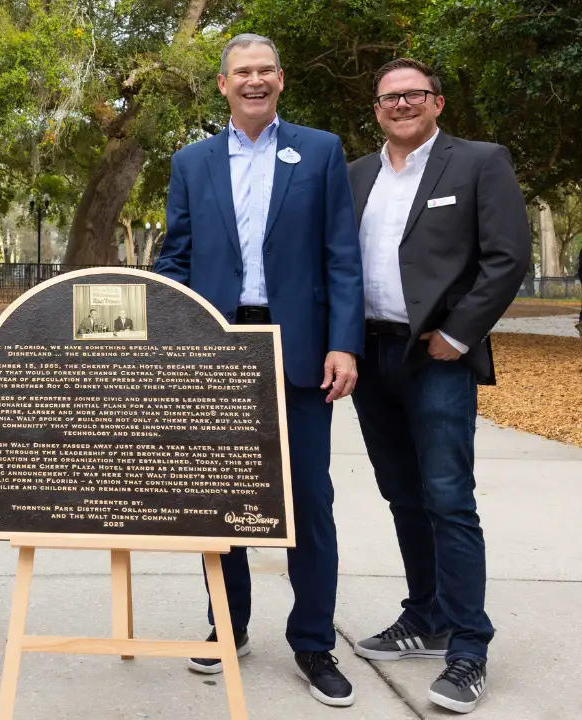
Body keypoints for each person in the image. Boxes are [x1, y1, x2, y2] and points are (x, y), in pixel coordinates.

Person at [153, 33, 364, 707]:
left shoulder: (322, 150)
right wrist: (173, 341)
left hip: (299, 346)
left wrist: (344, 343)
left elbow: (341, 258)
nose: (253, 80)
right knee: (221, 497)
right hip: (218, 349)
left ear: (280, 79)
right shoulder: (192, 162)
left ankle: (312, 642)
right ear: (222, 84)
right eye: (241, 71)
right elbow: (175, 260)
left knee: (308, 500)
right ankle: (229, 624)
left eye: (264, 70)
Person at [346, 58, 530, 715]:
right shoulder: (357, 175)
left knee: (449, 497)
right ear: (376, 108)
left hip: (438, 356)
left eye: (413, 95)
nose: (401, 105)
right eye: (389, 97)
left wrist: (458, 333)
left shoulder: (478, 162)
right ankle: (425, 616)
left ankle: (468, 649)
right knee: (402, 494)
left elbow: (507, 256)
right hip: (372, 354)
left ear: (437, 103)